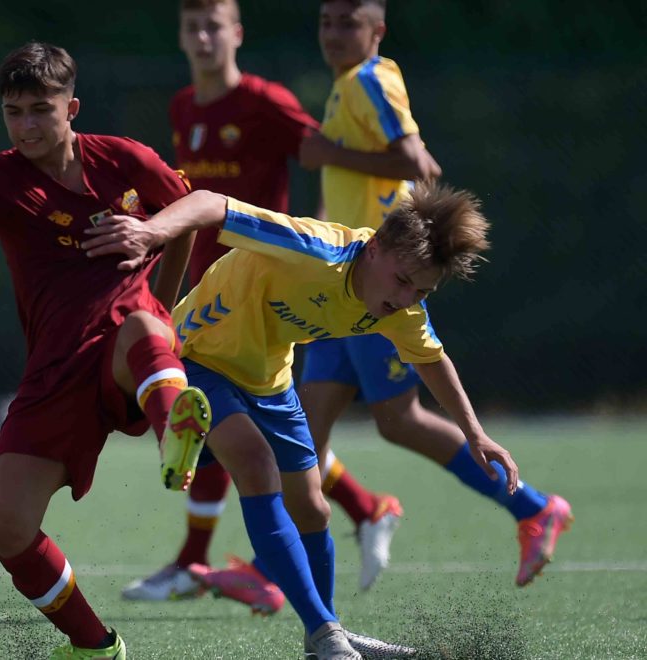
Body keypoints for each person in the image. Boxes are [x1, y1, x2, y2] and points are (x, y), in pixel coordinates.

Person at [82, 181, 514, 659]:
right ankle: (326, 633)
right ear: (374, 249)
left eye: (423, 290)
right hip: (198, 357)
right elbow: (208, 202)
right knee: (255, 464)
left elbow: (431, 359)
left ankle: (319, 638)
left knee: (312, 508)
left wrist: (475, 433)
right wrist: (152, 232)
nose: (408, 297)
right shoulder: (313, 247)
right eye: (402, 280)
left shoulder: (401, 306)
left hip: (269, 378)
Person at [0, 42, 213, 659]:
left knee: (143, 325)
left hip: (127, 344)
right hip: (55, 371)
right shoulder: (0, 177)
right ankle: (96, 646)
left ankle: (176, 432)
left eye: (40, 109)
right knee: (8, 526)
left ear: (71, 108)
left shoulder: (125, 160)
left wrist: (160, 285)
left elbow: (188, 215)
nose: (27, 125)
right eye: (14, 112)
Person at [122, 0, 404, 605]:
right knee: (235, 428)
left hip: (262, 295)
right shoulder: (183, 106)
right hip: (207, 285)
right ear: (181, 37)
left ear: (237, 34)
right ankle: (363, 510)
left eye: (213, 27)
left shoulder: (265, 101)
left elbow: (321, 154)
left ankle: (202, 561)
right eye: (191, 27)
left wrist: (332, 226)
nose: (202, 38)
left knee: (234, 428)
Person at [301, 0, 573, 591]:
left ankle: (534, 507)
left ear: (378, 30)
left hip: (378, 287)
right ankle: (288, 569)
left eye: (348, 22)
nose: (333, 33)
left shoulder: (370, 78)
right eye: (326, 21)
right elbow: (366, 180)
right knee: (306, 434)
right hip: (343, 283)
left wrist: (330, 154)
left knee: (399, 421)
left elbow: (415, 160)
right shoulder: (346, 85)